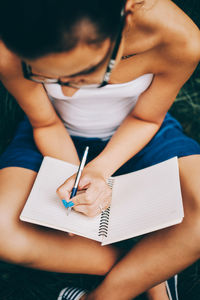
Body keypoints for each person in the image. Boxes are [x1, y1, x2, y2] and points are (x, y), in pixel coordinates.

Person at [0, 0, 200, 299]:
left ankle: (106, 294)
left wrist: (99, 170)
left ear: (125, 18)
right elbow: (45, 124)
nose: (68, 91)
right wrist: (78, 181)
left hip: (142, 131)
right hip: (52, 132)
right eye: (46, 76)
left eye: (86, 73)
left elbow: (147, 118)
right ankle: (151, 267)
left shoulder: (178, 38)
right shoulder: (11, 40)